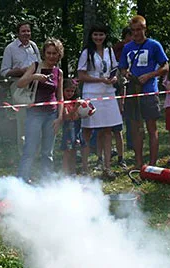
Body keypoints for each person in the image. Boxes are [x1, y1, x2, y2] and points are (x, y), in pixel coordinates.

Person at [119, 14, 169, 168]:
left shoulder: (154, 45)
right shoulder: (127, 47)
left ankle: (152, 164)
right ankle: (139, 163)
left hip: (149, 91)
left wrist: (150, 75)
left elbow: (165, 66)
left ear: (144, 29)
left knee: (151, 128)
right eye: (133, 30)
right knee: (136, 128)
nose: (136, 33)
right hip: (134, 91)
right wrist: (126, 74)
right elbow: (122, 68)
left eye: (139, 29)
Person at [77, 24, 123, 180]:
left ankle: (107, 167)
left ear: (105, 36)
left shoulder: (109, 51)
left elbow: (114, 70)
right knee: (87, 131)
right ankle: (85, 169)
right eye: (95, 34)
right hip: (91, 94)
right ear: (91, 36)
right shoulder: (86, 52)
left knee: (107, 130)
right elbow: (81, 75)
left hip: (108, 94)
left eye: (101, 34)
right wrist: (100, 80)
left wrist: (113, 78)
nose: (98, 37)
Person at [16, 38, 64, 182]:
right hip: (35, 113)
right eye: (49, 53)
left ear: (59, 54)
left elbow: (60, 96)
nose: (51, 56)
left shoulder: (59, 72)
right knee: (30, 149)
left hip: (52, 114)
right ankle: (22, 180)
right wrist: (34, 77)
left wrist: (60, 117)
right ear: (44, 53)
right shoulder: (35, 66)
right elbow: (20, 83)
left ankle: (46, 182)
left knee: (47, 152)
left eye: (54, 53)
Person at [0, 22, 40, 149]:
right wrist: (21, 71)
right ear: (18, 33)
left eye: (28, 31)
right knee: (22, 120)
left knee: (36, 118)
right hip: (19, 86)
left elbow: (39, 64)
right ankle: (22, 152)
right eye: (23, 31)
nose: (26, 33)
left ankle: (35, 151)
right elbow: (4, 71)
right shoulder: (10, 48)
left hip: (35, 85)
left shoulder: (33, 46)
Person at [113, 27, 134, 151]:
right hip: (119, 86)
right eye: (130, 35)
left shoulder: (136, 48)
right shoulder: (118, 49)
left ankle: (131, 142)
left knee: (131, 116)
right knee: (117, 119)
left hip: (130, 85)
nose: (132, 38)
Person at [60, 78, 82, 175]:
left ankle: (73, 172)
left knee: (74, 150)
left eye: (72, 91)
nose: (70, 93)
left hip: (76, 129)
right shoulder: (63, 103)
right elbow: (67, 117)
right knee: (67, 151)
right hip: (68, 130)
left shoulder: (74, 101)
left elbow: (77, 116)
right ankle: (65, 173)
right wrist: (76, 107)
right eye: (67, 91)